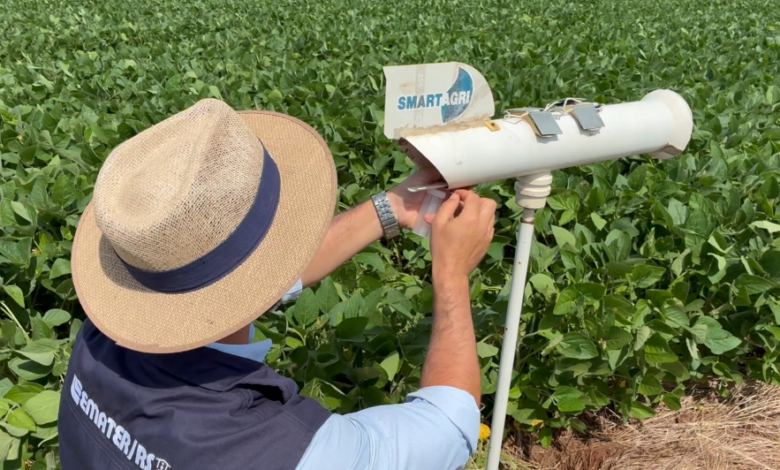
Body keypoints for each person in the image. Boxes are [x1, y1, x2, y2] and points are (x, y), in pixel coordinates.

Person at [59, 99, 497, 470]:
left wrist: (393, 207)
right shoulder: (274, 449)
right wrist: (451, 274)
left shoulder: (99, 342)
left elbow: (240, 283)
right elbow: (449, 425)